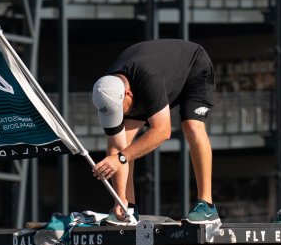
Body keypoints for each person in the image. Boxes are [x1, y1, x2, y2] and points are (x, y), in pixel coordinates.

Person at [90, 39, 219, 226]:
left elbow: (162, 131)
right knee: (124, 141)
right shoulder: (107, 90)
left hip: (194, 68)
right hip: (155, 80)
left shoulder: (147, 77)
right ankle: (129, 209)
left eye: (120, 109)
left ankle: (207, 206)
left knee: (192, 126)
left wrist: (121, 158)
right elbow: (115, 149)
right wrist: (120, 199)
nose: (121, 115)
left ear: (128, 94)